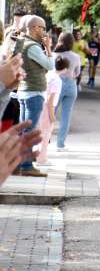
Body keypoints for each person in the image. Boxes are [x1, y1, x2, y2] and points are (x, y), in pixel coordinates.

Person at [12, 16, 54, 177]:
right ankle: (27, 165)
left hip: (23, 90)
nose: (44, 31)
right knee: (30, 130)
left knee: (23, 129)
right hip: (34, 91)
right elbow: (50, 65)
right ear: (35, 28)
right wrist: (48, 48)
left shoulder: (21, 42)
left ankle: (19, 163)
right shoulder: (33, 47)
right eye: (42, 28)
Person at [53, 33, 81, 150]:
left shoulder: (54, 55)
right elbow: (77, 73)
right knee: (66, 115)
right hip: (71, 86)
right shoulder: (76, 57)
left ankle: (45, 139)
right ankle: (60, 144)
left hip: (56, 85)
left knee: (50, 112)